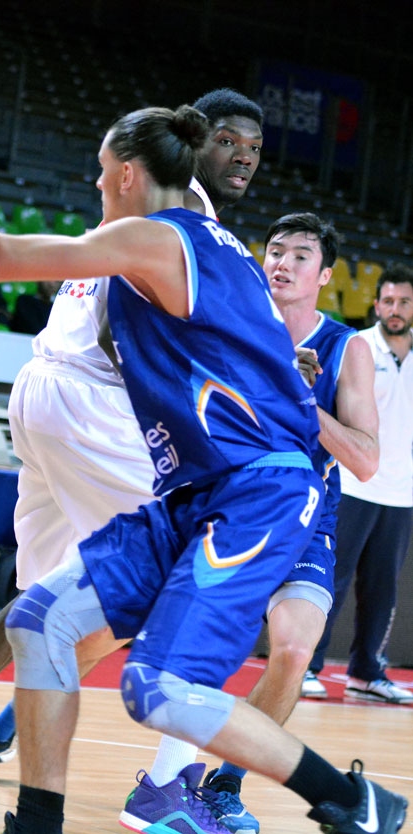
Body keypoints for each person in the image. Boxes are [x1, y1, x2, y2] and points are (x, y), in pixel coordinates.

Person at [0, 108, 407, 834]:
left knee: (157, 686)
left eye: (99, 168)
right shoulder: (210, 249)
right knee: (39, 620)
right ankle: (36, 819)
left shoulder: (161, 237)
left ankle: (349, 801)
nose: (93, 182)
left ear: (126, 173)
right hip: (195, 489)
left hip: (257, 491)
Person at [0, 88, 266, 822]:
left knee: (34, 607)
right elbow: (124, 337)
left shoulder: (161, 210)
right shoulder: (185, 213)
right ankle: (169, 788)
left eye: (254, 148)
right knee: (208, 579)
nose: (241, 156)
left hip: (44, 393)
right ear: (184, 143)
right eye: (227, 138)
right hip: (96, 406)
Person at [147, 212, 379, 834]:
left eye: (301, 255)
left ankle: (222, 782)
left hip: (306, 519)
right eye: (275, 251)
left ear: (325, 275)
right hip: (225, 507)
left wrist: (306, 403)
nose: (283, 262)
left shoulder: (345, 348)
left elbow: (365, 457)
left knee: (296, 650)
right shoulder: (228, 323)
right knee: (111, 631)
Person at [307, 264, 413, 705]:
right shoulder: (358, 347)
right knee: (332, 579)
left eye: (404, 302)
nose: (395, 309)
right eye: (387, 301)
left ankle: (366, 672)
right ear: (375, 305)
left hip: (402, 491)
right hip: (352, 482)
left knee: (383, 587)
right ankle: (308, 666)